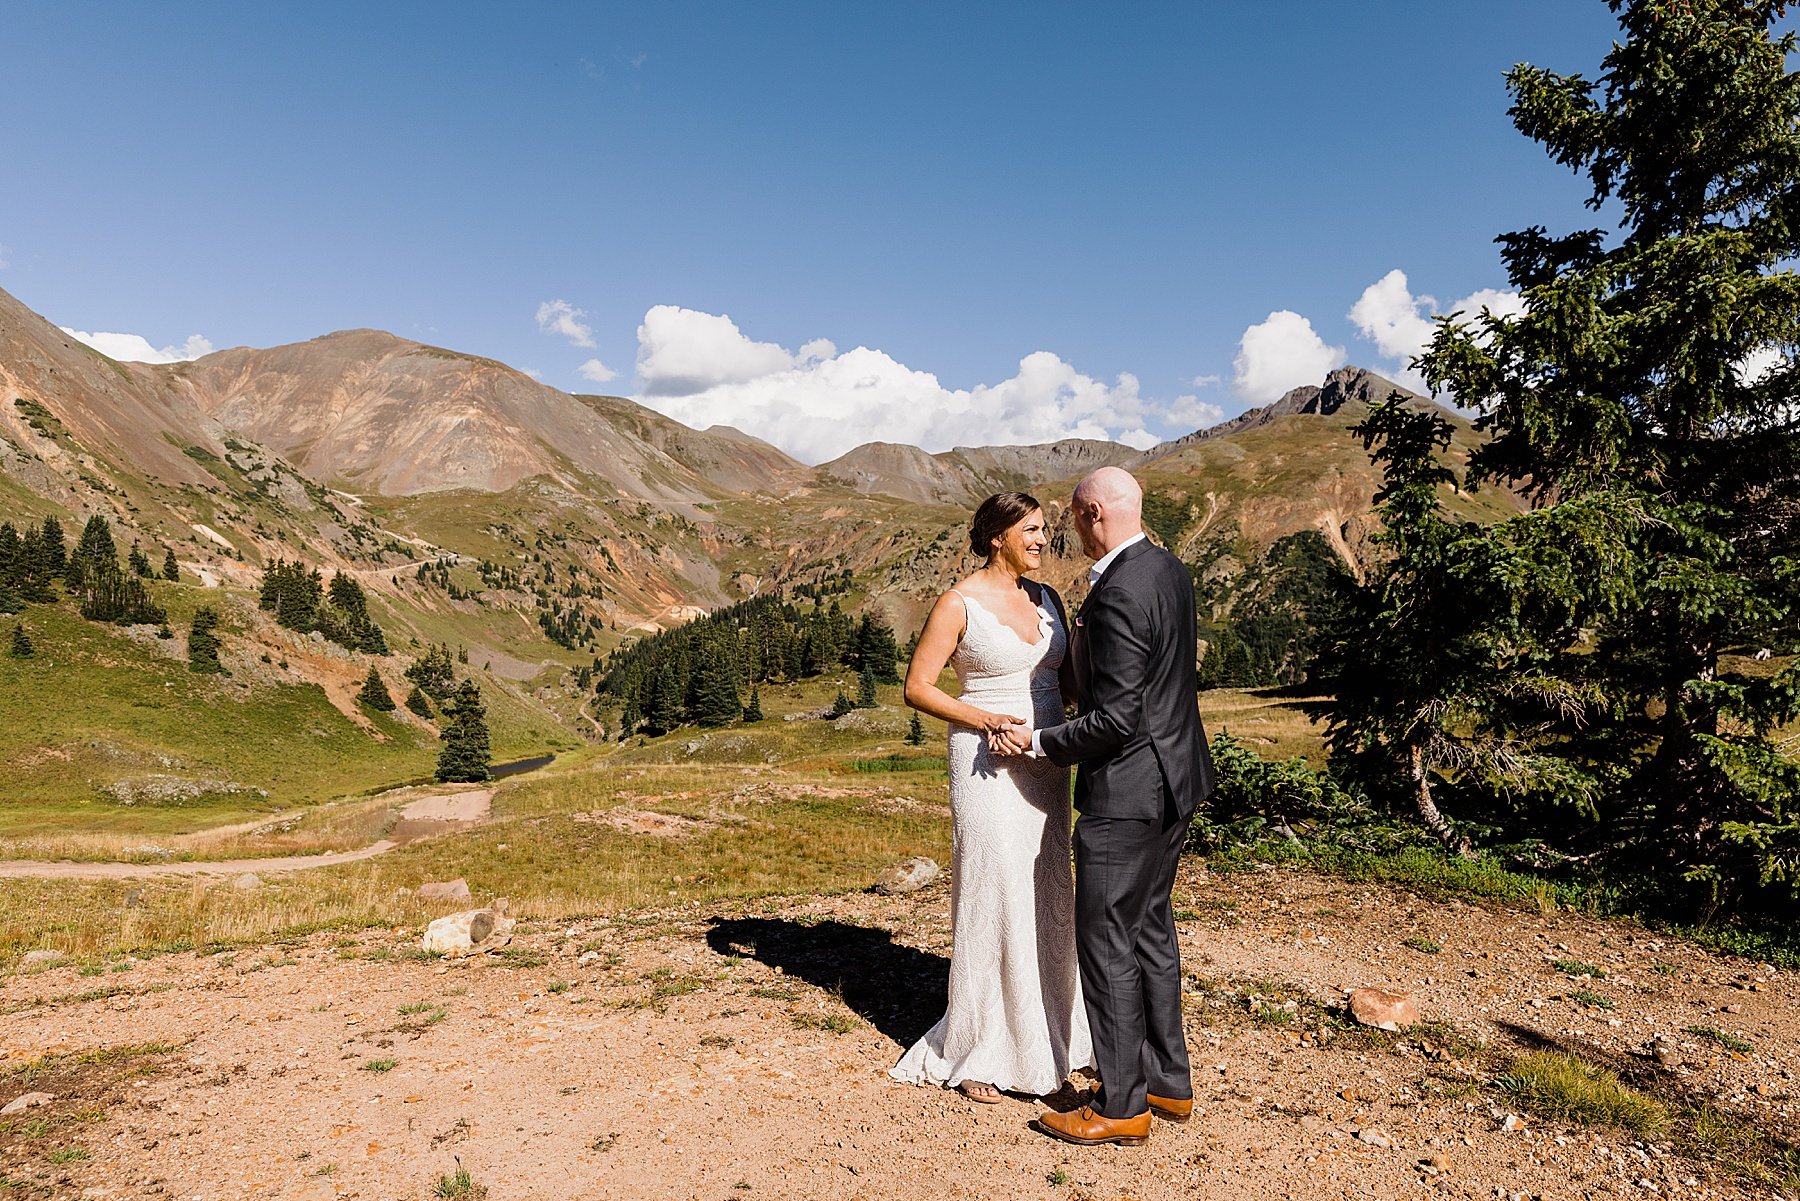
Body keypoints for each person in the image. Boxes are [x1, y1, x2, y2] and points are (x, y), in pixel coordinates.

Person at [994, 466, 1214, 1147]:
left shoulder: (1116, 594)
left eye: (1072, 518)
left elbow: (1116, 719)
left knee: (1107, 936)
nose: (1069, 532)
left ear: (1094, 513)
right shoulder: (1167, 568)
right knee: (1149, 926)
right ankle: (1165, 1079)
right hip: (1177, 777)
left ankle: (1121, 1102)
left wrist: (1040, 741)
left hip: (1128, 788)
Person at [888, 491, 1093, 1104]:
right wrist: (983, 720)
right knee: (991, 886)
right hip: (985, 761)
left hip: (1044, 760)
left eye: (1045, 531)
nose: (1042, 541)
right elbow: (917, 688)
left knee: (1048, 888)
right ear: (996, 535)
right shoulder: (957, 603)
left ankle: (1056, 1034)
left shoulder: (1049, 598)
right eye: (1030, 530)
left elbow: (1068, 680)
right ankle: (980, 1045)